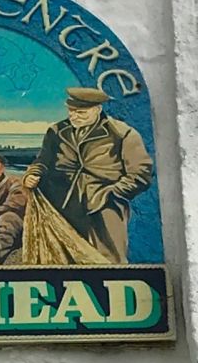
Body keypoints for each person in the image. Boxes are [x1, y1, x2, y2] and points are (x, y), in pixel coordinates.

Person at [22, 86, 152, 262]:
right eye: (71, 111)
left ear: (97, 109)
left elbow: (141, 174)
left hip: (104, 208)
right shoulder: (56, 131)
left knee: (108, 261)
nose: (74, 116)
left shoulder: (122, 133)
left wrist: (111, 194)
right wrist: (33, 174)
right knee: (61, 261)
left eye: (81, 112)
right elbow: (42, 161)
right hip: (60, 207)